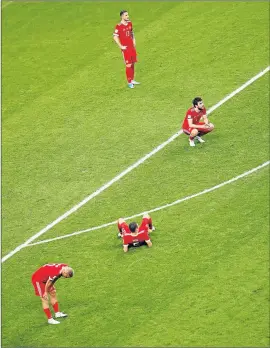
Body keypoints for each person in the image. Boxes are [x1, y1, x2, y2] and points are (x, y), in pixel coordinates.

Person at [113, 10, 140, 89]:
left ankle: (132, 79)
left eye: (128, 15)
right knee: (128, 65)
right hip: (126, 48)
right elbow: (115, 36)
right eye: (126, 15)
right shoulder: (119, 26)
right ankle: (129, 82)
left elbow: (132, 32)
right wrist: (121, 46)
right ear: (122, 16)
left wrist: (134, 40)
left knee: (133, 63)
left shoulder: (129, 23)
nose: (127, 16)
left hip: (131, 46)